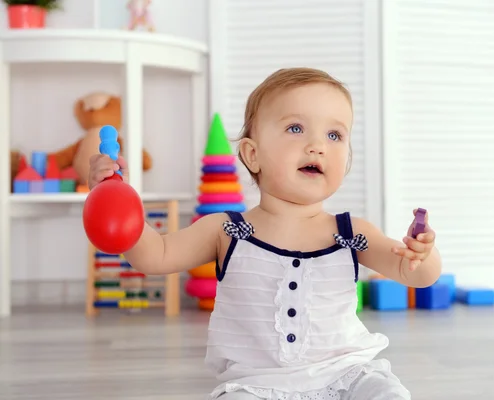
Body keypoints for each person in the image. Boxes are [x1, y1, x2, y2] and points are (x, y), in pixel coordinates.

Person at [88, 67, 442, 400]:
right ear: (252, 154)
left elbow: (416, 274)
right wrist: (118, 203)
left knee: (383, 391)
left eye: (334, 135)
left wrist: (423, 254)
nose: (317, 145)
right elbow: (156, 255)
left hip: (345, 376)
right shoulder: (228, 229)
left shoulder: (351, 234)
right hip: (257, 385)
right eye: (295, 128)